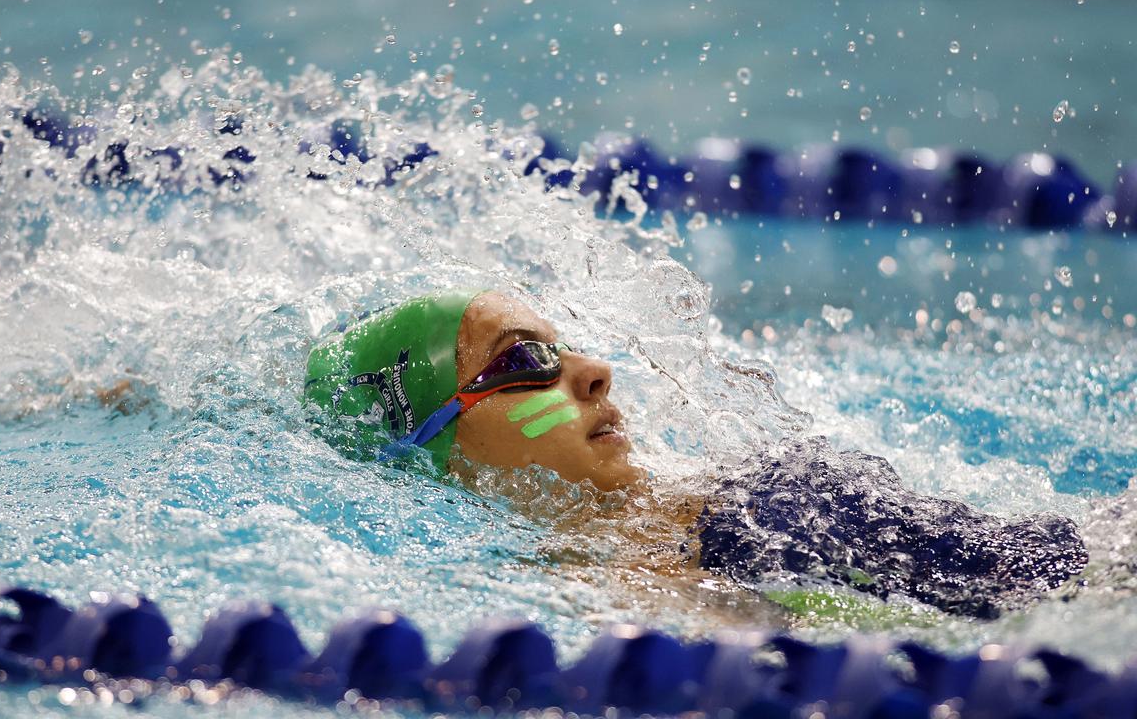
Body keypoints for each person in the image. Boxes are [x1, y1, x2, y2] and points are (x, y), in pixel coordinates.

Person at [304, 289, 1088, 618]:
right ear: (431, 444)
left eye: (566, 347)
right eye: (520, 363)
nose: (593, 369)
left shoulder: (693, 511)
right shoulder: (609, 587)